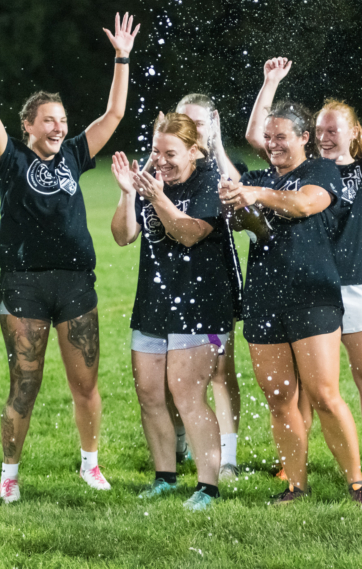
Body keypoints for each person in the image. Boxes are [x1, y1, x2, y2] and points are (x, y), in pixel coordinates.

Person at [0, 8, 139, 503]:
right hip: (24, 284)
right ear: (29, 126)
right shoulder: (11, 161)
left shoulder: (74, 156)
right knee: (25, 383)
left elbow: (114, 116)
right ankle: (9, 474)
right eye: (50, 121)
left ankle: (90, 464)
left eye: (63, 121)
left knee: (86, 383)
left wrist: (122, 58)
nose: (60, 128)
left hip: (76, 284)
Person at [223, 98, 362, 506]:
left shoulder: (322, 170)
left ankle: (358, 483)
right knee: (278, 399)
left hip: (313, 294)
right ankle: (296, 484)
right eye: (268, 138)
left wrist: (257, 193)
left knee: (324, 393)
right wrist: (236, 209)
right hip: (263, 296)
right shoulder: (259, 176)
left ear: (304, 138)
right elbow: (255, 228)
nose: (272, 144)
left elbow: (307, 203)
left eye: (281, 137)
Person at [111, 112, 232, 511]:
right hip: (154, 304)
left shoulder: (210, 179)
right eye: (155, 151)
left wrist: (158, 195)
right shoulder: (148, 181)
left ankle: (208, 486)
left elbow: (189, 232)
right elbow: (123, 235)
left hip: (201, 305)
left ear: (194, 150)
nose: (160, 160)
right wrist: (130, 193)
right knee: (149, 394)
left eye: (170, 153)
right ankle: (165, 477)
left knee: (187, 393)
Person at [174, 94, 245, 480]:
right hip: (169, 288)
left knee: (219, 370)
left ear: (213, 124)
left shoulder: (222, 170)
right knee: (173, 374)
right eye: (184, 123)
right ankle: (180, 445)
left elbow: (238, 191)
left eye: (199, 125)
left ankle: (228, 456)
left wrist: (216, 145)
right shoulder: (170, 166)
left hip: (214, 288)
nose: (191, 132)